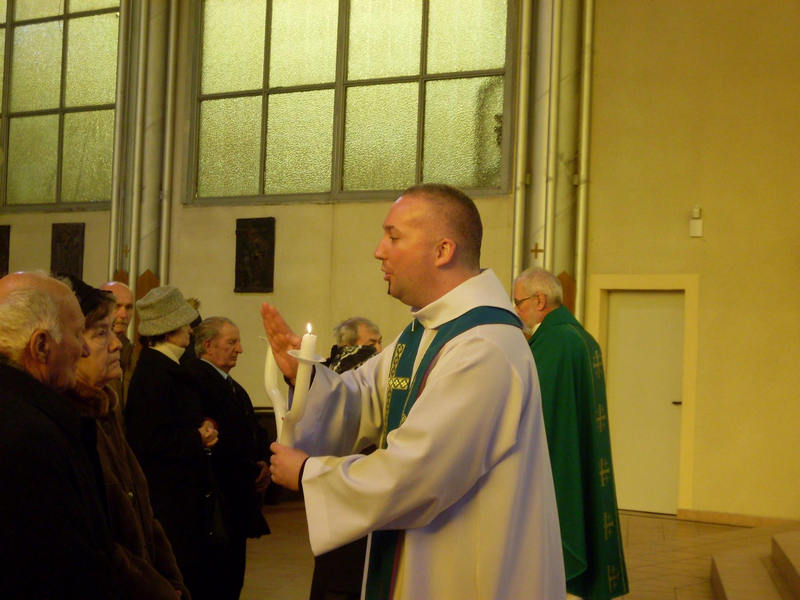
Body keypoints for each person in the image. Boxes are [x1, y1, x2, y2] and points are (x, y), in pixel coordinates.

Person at [263, 184, 564, 599]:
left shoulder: (483, 345)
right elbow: (363, 398)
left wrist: (308, 474)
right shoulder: (425, 331)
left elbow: (418, 472)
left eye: (394, 236)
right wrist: (306, 378)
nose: (379, 251)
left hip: (466, 569)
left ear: (442, 251)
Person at [64, 276, 190, 598]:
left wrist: (172, 581)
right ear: (70, 343)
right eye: (100, 333)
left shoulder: (104, 409)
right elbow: (101, 542)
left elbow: (142, 512)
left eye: (126, 309)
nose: (116, 343)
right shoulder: (68, 422)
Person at [0, 272, 118, 598]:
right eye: (78, 334)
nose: (84, 350)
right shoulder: (32, 437)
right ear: (41, 345)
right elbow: (60, 569)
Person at [513, 267, 628, 599]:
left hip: (557, 463)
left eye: (519, 302)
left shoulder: (554, 343)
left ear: (539, 300)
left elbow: (538, 414)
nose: (517, 311)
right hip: (579, 454)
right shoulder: (581, 338)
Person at [125, 286, 221, 600]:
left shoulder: (168, 367)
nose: (191, 331)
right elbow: (149, 439)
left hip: (180, 495)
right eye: (185, 325)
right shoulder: (155, 373)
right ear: (169, 330)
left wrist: (203, 426)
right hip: (170, 498)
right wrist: (197, 437)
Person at [183, 316, 271, 600]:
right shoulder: (197, 381)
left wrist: (262, 461)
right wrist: (251, 466)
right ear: (208, 345)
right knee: (217, 583)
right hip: (217, 501)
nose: (240, 349)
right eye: (231, 342)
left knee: (231, 579)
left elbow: (251, 430)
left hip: (234, 500)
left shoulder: (229, 385)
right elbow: (222, 440)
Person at [311, 317, 383, 600]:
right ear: (349, 345)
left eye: (379, 341)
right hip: (348, 474)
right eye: (372, 342)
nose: (379, 348)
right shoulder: (347, 372)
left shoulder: (326, 373)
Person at [99, 281, 135, 411]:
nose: (123, 315)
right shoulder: (89, 352)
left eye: (128, 307)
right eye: (117, 306)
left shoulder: (132, 352)